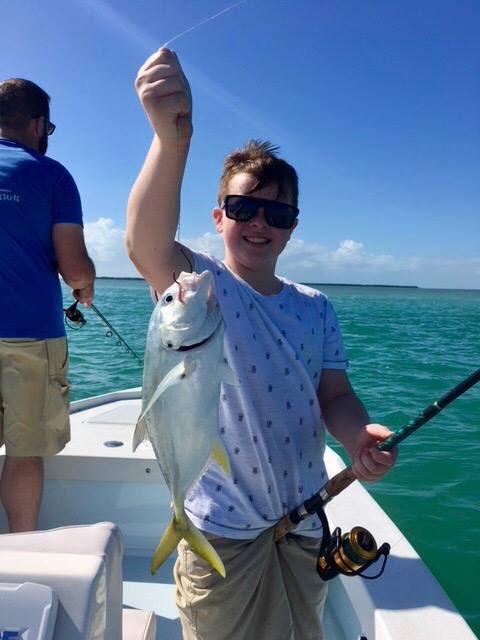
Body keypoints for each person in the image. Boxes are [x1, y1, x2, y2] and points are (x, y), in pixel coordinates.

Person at [126, 49, 398, 640]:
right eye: (245, 207)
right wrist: (170, 142)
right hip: (220, 524)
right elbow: (146, 241)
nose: (260, 222)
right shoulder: (200, 286)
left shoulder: (315, 305)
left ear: (293, 225)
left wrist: (357, 435)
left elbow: (335, 395)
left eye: (277, 212)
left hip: (303, 522)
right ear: (220, 216)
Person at [0, 78, 95, 533]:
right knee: (24, 453)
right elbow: (74, 268)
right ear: (38, 123)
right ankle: (20, 552)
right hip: (30, 338)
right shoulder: (52, 175)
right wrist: (85, 287)